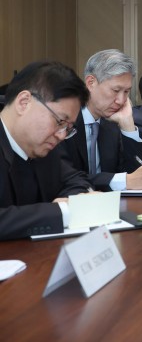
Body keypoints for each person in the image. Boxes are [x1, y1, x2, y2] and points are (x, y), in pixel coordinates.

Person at [0, 61, 91, 240]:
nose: (62, 135)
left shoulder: (44, 146)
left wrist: (69, 202)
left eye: (68, 128)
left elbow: (76, 180)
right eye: (60, 122)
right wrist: (60, 211)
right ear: (24, 102)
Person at [59, 50, 142, 191]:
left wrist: (128, 127)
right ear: (91, 83)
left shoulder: (112, 123)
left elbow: (137, 178)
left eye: (126, 92)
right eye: (115, 90)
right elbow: (65, 178)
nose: (121, 100)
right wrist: (121, 180)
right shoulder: (63, 121)